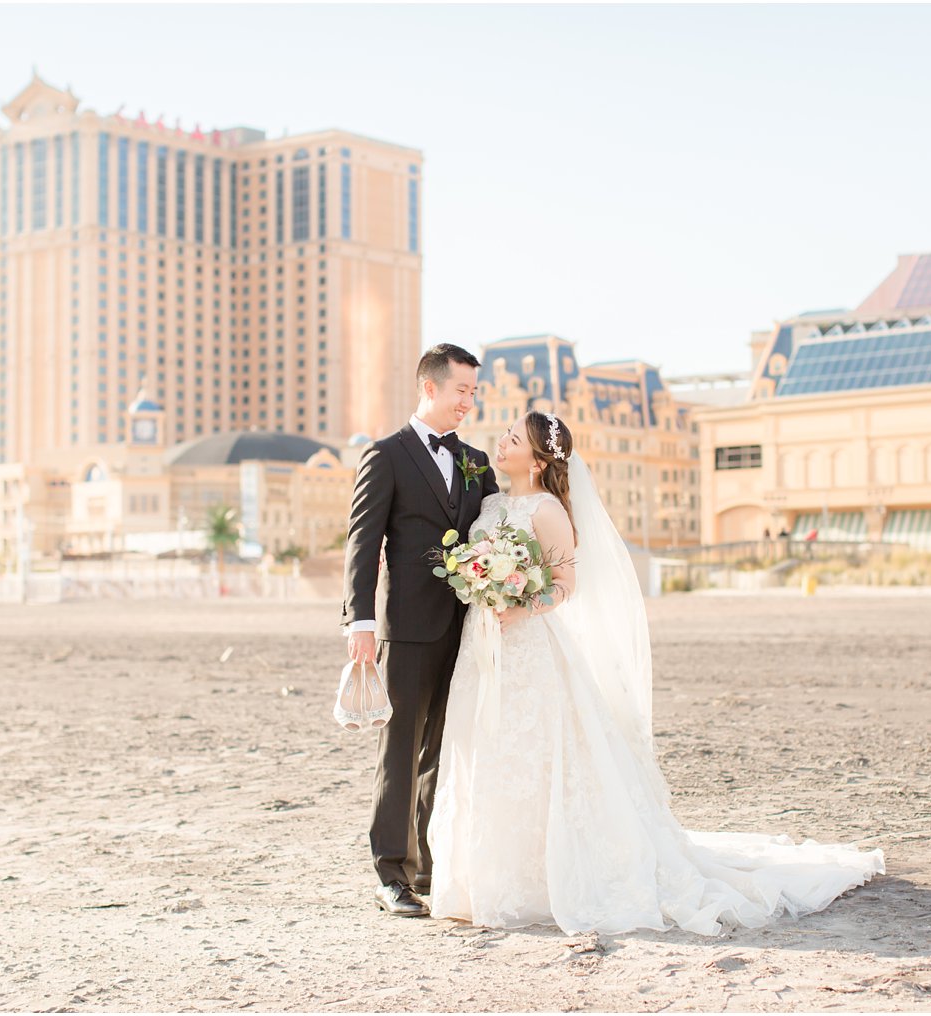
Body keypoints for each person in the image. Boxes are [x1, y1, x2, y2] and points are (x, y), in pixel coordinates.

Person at [427, 411, 883, 935]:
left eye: (513, 439)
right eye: (505, 434)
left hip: (529, 647)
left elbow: (565, 584)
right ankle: (484, 875)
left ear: (537, 459)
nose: (501, 442)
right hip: (482, 649)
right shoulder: (489, 503)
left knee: (536, 753)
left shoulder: (548, 510)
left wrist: (521, 607)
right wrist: (480, 584)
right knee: (486, 749)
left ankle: (543, 879)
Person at [341, 344, 501, 918]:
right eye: (461, 390)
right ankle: (392, 873)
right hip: (407, 628)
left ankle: (433, 865)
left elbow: (495, 531)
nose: (468, 402)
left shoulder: (477, 461)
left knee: (445, 746)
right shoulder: (385, 455)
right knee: (401, 750)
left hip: (469, 626)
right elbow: (362, 544)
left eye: (474, 393)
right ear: (429, 388)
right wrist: (358, 620)